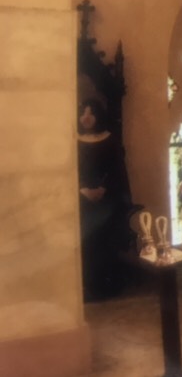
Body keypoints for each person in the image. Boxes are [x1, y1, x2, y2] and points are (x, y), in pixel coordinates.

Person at [77, 98, 132, 301]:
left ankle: (107, 286)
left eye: (91, 113)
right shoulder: (73, 141)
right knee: (86, 242)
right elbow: (70, 170)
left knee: (106, 241)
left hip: (107, 201)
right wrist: (82, 190)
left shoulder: (110, 140)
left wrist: (103, 189)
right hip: (81, 202)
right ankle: (87, 287)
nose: (86, 117)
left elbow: (117, 171)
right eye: (83, 113)